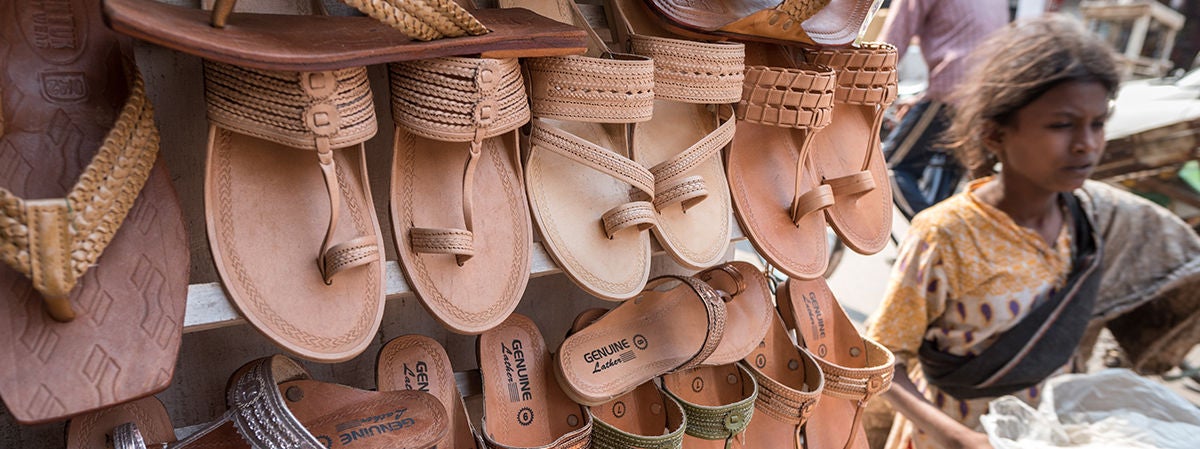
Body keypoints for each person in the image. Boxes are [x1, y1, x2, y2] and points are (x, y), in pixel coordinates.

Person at [867, 15, 1200, 449]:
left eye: (1098, 123)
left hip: (1047, 434)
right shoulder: (947, 234)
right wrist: (957, 437)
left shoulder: (1092, 217)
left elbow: (1179, 257)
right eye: (1062, 125)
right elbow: (881, 359)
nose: (1086, 144)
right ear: (994, 134)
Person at [879, 0, 1009, 220]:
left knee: (887, 168)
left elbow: (890, 44)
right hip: (985, 97)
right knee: (942, 176)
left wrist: (864, 85)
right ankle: (939, 236)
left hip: (951, 93)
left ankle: (930, 231)